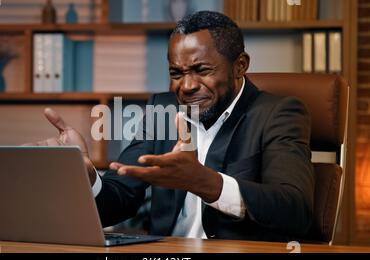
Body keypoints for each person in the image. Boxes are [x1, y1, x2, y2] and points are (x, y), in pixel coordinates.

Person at [28, 11, 314, 242]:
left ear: (240, 66)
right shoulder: (162, 109)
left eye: (202, 70)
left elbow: (295, 210)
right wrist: (87, 177)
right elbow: (122, 199)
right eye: (176, 73)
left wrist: (202, 181)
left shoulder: (278, 113)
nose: (187, 86)